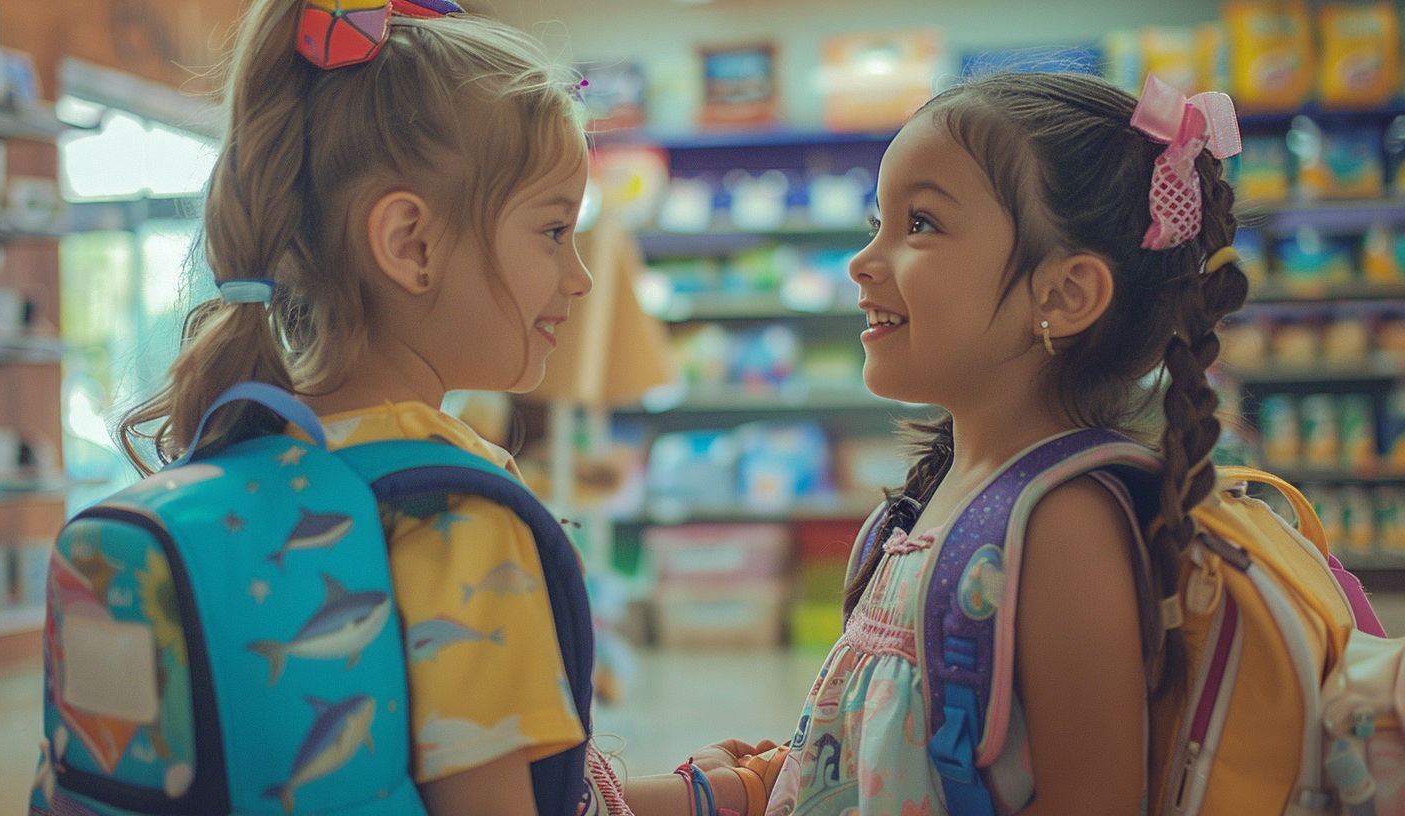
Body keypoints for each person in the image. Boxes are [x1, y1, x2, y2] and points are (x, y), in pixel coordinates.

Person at [116, 1, 756, 813]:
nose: (580, 277)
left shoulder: (249, 443)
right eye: (554, 231)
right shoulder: (455, 511)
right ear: (410, 244)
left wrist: (702, 796)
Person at [759, 71, 1250, 815]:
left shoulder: (1061, 527)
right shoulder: (929, 500)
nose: (862, 262)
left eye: (920, 224)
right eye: (875, 223)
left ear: (1063, 295)